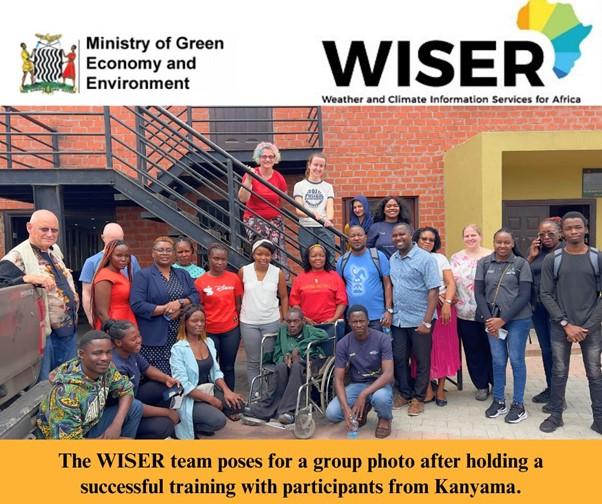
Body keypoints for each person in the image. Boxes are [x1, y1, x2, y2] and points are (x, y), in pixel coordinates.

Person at [539, 212, 602, 435]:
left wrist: (588, 327)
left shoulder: (597, 257)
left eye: (577, 227)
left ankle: (599, 418)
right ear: (562, 232)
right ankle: (556, 416)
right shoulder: (553, 259)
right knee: (559, 372)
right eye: (568, 228)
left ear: (585, 229)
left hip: (590, 328)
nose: (573, 231)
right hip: (560, 326)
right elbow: (545, 293)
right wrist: (566, 324)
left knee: (595, 373)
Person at [0, 209, 78, 381]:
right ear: (29, 227)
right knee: (45, 386)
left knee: (67, 381)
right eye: (44, 229)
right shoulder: (17, 256)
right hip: (45, 337)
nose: (50, 234)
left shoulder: (53, 250)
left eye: (54, 230)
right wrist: (26, 278)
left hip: (68, 330)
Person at [34, 330, 143, 439]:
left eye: (108, 352)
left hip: (89, 424)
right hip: (65, 443)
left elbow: (126, 389)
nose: (105, 358)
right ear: (81, 354)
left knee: (135, 407)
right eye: (97, 353)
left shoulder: (106, 368)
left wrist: (116, 425)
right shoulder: (65, 394)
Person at [475, 228, 533, 424]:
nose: (502, 246)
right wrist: (490, 318)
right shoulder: (483, 263)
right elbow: (479, 293)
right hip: (492, 321)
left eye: (506, 242)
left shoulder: (521, 264)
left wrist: (503, 319)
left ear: (512, 243)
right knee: (498, 360)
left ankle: (518, 404)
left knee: (516, 360)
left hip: (518, 320)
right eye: (499, 242)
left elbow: (525, 295)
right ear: (494, 242)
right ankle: (499, 400)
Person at [242, 307, 329, 424]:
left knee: (297, 366)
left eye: (296, 321)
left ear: (302, 321)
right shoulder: (283, 332)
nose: (292, 325)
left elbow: (324, 335)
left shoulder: (308, 330)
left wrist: (300, 347)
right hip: (287, 365)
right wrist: (284, 358)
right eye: (289, 322)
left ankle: (288, 411)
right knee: (280, 367)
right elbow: (276, 354)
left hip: (307, 363)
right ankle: (265, 409)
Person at [170, 305, 245, 439]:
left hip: (206, 389)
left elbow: (216, 372)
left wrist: (227, 391)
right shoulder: (178, 348)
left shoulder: (208, 342)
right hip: (187, 396)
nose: (199, 324)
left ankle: (205, 417)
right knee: (218, 420)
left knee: (238, 405)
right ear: (185, 323)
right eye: (194, 321)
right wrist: (211, 400)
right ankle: (197, 424)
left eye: (202, 321)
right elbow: (184, 386)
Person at [389, 223, 440, 416]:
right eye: (394, 235)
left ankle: (418, 398)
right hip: (399, 320)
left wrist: (427, 322)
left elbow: (434, 290)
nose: (398, 238)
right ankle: (404, 393)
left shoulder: (425, 259)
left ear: (411, 235)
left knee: (422, 360)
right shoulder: (393, 258)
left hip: (420, 320)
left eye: (402, 234)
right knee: (399, 358)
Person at [130, 236, 199, 375]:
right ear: (153, 253)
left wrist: (179, 304)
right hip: (156, 337)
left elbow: (195, 297)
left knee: (182, 374)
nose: (165, 253)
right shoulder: (143, 276)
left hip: (181, 334)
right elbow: (137, 305)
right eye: (160, 250)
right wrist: (165, 309)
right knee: (161, 379)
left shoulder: (182, 274)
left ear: (173, 254)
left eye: (168, 250)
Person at [325, 305, 394, 438]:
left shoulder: (382, 339)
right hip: (357, 384)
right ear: (349, 323)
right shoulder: (343, 344)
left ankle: (385, 418)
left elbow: (388, 375)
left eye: (361, 321)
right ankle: (364, 408)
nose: (358, 325)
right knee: (332, 414)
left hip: (379, 383)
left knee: (381, 398)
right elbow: (338, 379)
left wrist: (363, 395)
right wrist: (346, 410)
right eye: (354, 322)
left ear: (368, 321)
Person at [105, 319, 180, 439]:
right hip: (123, 411)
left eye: (138, 335)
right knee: (165, 425)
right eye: (133, 339)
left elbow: (147, 368)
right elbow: (131, 405)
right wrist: (167, 413)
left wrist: (167, 378)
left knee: (166, 386)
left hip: (133, 398)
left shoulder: (130, 352)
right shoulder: (117, 367)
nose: (139, 340)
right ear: (119, 342)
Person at [413, 226, 460, 406]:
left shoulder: (440, 258)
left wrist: (447, 303)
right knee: (422, 350)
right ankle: (427, 389)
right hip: (420, 309)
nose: (427, 242)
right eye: (423, 238)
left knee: (443, 349)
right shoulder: (411, 258)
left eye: (431, 240)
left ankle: (440, 388)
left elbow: (451, 283)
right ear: (417, 240)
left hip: (442, 310)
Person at [450, 224, 493, 401]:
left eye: (473, 235)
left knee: (492, 349)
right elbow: (450, 281)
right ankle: (481, 385)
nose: (470, 238)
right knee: (473, 350)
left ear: (480, 236)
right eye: (466, 236)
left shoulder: (490, 255)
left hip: (489, 313)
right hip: (464, 313)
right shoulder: (456, 258)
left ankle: (496, 383)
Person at [239, 239, 289, 386]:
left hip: (271, 322)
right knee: (253, 361)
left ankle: (269, 394)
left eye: (267, 254)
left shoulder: (277, 273)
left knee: (269, 360)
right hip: (249, 323)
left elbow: (284, 296)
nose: (263, 258)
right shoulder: (244, 271)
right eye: (259, 254)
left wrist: (284, 318)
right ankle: (255, 395)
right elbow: (239, 295)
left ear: (271, 256)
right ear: (253, 254)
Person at [194, 243, 243, 390]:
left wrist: (237, 322)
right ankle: (214, 399)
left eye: (223, 259)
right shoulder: (200, 282)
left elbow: (238, 304)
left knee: (228, 367)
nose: (220, 262)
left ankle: (230, 403)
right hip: (209, 331)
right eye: (216, 258)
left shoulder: (234, 278)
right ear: (208, 258)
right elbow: (199, 308)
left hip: (231, 330)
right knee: (211, 367)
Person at [526, 218, 562, 405]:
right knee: (547, 351)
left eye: (550, 233)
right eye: (542, 234)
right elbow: (523, 274)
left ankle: (558, 395)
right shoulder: (537, 253)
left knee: (557, 352)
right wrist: (531, 257)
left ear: (560, 234)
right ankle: (551, 388)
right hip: (538, 309)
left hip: (557, 310)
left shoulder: (565, 252)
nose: (546, 237)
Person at [238, 142, 288, 269]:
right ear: (258, 158)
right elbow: (243, 199)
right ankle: (261, 272)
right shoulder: (251, 174)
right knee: (264, 244)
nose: (267, 159)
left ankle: (276, 276)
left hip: (274, 218)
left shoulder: (279, 177)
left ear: (275, 158)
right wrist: (249, 180)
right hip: (253, 217)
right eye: (264, 156)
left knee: (276, 248)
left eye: (271, 156)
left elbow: (284, 198)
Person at [80, 222, 141, 326]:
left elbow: (138, 286)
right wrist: (91, 318)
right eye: (112, 239)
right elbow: (87, 293)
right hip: (112, 320)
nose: (123, 259)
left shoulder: (132, 260)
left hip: (128, 315)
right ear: (103, 237)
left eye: (119, 240)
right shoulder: (92, 262)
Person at [336, 225, 393, 332]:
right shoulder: (342, 261)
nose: (356, 238)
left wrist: (388, 310)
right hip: (352, 318)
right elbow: (339, 289)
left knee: (377, 348)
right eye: (352, 236)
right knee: (353, 349)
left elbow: (387, 284)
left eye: (359, 235)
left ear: (365, 237)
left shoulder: (378, 256)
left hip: (376, 316)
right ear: (348, 239)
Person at [289, 243, 347, 332]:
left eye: (321, 256)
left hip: (331, 325)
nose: (318, 258)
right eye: (313, 256)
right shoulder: (300, 278)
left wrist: (334, 319)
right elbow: (294, 302)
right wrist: (304, 319)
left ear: (326, 258)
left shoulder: (335, 276)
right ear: (308, 258)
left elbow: (342, 301)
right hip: (307, 326)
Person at [293, 152, 337, 260]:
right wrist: (312, 214)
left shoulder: (328, 187)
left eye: (321, 166)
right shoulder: (299, 185)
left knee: (328, 258)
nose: (318, 168)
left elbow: (330, 207)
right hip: (307, 226)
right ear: (309, 165)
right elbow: (299, 210)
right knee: (308, 258)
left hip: (324, 226)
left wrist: (329, 219)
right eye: (315, 165)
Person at [91, 240, 137, 329]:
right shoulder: (105, 276)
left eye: (127, 256)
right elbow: (101, 312)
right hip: (114, 324)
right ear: (109, 256)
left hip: (125, 320)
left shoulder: (119, 274)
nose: (123, 259)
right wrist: (115, 331)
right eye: (119, 255)